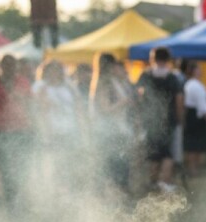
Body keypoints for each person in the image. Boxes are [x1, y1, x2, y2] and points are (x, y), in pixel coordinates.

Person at [0, 54, 33, 213]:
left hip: (22, 130)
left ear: (16, 66)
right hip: (1, 132)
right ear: (0, 66)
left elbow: (31, 105)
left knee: (22, 168)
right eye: (6, 64)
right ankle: (11, 204)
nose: (10, 67)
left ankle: (20, 201)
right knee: (6, 170)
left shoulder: (22, 82)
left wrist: (34, 125)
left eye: (12, 64)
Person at [136, 46, 183, 193]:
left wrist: (140, 116)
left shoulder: (145, 75)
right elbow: (179, 100)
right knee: (168, 153)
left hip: (150, 121)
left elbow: (138, 97)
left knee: (153, 154)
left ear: (152, 58)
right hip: (168, 120)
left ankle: (152, 183)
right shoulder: (173, 77)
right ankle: (165, 183)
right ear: (168, 59)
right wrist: (180, 119)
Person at [32, 60, 83, 190]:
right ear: (46, 72)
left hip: (69, 130)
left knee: (70, 164)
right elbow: (40, 111)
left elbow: (78, 106)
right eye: (52, 70)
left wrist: (81, 127)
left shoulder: (68, 86)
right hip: (53, 132)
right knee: (55, 164)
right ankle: (55, 193)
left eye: (57, 70)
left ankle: (70, 191)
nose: (55, 73)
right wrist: (46, 132)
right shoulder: (41, 87)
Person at [89, 52, 135, 191]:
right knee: (115, 170)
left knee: (119, 169)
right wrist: (124, 102)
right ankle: (116, 199)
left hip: (115, 131)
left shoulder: (114, 81)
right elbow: (105, 109)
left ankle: (119, 196)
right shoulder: (104, 82)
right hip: (109, 133)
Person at [181, 60, 206, 177]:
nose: (201, 71)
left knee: (195, 146)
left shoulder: (192, 84)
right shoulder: (194, 85)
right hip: (195, 117)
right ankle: (193, 170)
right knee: (194, 146)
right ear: (193, 71)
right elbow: (203, 105)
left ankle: (194, 169)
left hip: (193, 116)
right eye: (198, 69)